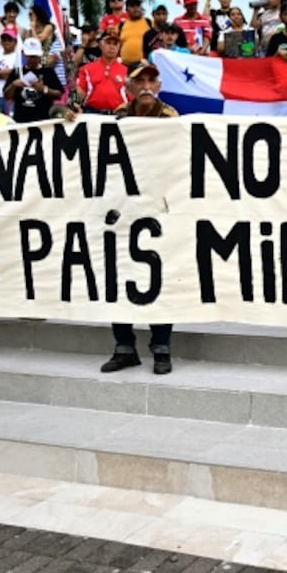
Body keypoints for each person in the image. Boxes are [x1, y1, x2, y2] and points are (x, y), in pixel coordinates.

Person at [100, 62, 176, 375]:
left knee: (160, 276)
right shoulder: (117, 115)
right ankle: (124, 346)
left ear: (158, 85)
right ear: (129, 87)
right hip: (123, 209)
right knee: (119, 275)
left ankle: (161, 346)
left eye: (151, 80)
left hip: (161, 208)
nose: (146, 85)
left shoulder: (172, 118)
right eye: (139, 80)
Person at [6, 39, 63, 123]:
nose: (32, 59)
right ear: (24, 54)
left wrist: (44, 89)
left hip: (43, 121)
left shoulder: (48, 72)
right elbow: (7, 96)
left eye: (35, 56)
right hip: (21, 121)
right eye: (30, 56)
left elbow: (59, 94)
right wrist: (13, 85)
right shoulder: (16, 72)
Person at [76, 32, 128, 113]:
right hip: (91, 113)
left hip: (118, 114)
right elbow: (79, 93)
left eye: (115, 44)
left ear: (119, 47)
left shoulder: (126, 71)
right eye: (108, 43)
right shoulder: (87, 69)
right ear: (100, 45)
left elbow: (131, 97)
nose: (112, 47)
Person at [0, 25, 22, 111]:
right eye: (4, 39)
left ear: (15, 42)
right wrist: (2, 74)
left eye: (9, 39)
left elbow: (17, 75)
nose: (6, 42)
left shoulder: (19, 57)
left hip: (10, 99)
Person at [119, 0, 151, 64]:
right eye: (132, 6)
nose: (136, 9)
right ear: (127, 10)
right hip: (125, 66)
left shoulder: (149, 22)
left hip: (144, 66)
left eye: (138, 6)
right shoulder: (121, 25)